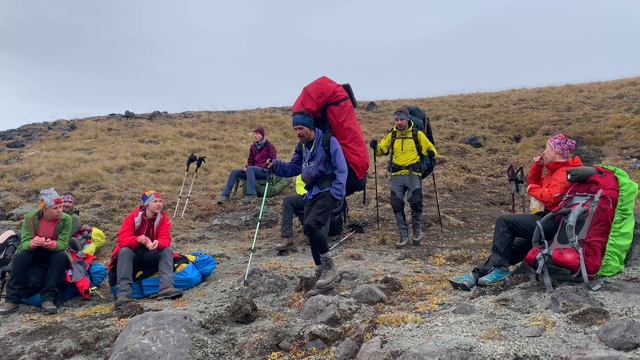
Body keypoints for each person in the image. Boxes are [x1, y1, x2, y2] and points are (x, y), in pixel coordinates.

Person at [449, 134, 583, 290]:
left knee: (504, 221)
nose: (544, 152)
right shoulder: (555, 171)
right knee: (509, 247)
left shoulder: (564, 172)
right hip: (548, 221)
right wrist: (538, 166)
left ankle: (500, 270)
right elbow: (534, 182)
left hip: (553, 222)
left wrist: (532, 189)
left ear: (557, 151)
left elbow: (552, 198)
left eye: (548, 148)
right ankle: (475, 276)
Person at [266, 111, 348, 296]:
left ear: (310, 127)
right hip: (312, 193)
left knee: (312, 225)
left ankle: (330, 268)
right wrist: (276, 165)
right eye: (295, 128)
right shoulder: (301, 147)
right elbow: (293, 168)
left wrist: (337, 194)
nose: (298, 132)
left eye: (300, 128)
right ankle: (322, 280)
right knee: (309, 232)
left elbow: (341, 169)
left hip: (328, 191)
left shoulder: (328, 142)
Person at [369, 107, 439, 248]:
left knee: (415, 201)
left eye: (401, 119)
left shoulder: (417, 134)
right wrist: (375, 147)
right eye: (396, 119)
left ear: (407, 119)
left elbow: (431, 149)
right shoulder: (392, 135)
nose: (399, 122)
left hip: (413, 174)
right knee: (396, 203)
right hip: (397, 175)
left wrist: (432, 153)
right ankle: (403, 235)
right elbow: (381, 151)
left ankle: (417, 232)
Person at [0, 188, 71, 315]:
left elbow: (63, 243)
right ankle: (12, 300)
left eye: (60, 206)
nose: (60, 210)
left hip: (53, 251)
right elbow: (25, 242)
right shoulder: (30, 218)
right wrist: (32, 243)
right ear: (45, 208)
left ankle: (48, 299)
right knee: (21, 256)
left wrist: (52, 244)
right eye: (55, 208)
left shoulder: (66, 219)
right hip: (34, 250)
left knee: (60, 256)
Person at [110, 190, 183, 306]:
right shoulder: (132, 217)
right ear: (146, 204)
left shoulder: (162, 218)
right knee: (124, 251)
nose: (159, 204)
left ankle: (166, 288)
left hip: (149, 254)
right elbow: (122, 239)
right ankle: (123, 294)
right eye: (155, 201)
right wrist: (138, 239)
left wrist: (158, 243)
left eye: (160, 201)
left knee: (166, 251)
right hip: (132, 254)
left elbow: (166, 238)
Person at [218, 127, 277, 204]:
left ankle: (251, 194)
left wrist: (252, 168)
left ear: (262, 135)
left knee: (250, 169)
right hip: (252, 171)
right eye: (254, 134)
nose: (255, 136)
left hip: (265, 171)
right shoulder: (253, 147)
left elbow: (272, 161)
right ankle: (225, 196)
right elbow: (250, 161)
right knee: (234, 172)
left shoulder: (269, 146)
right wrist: (246, 167)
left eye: (257, 134)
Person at [275, 175, 307, 251]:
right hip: (306, 196)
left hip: (321, 196)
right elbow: (299, 184)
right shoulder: (304, 164)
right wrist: (305, 194)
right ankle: (287, 237)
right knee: (288, 200)